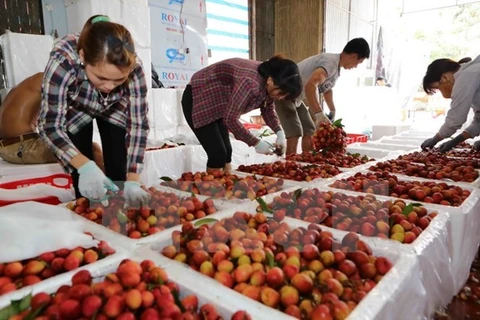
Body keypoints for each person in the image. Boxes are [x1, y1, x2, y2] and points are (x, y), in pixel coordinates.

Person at [38, 15, 151, 207]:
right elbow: (50, 125)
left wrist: (133, 179)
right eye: (102, 77)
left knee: (119, 164)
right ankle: (88, 213)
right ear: (82, 57)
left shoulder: (135, 69)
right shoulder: (63, 61)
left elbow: (138, 126)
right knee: (83, 170)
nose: (109, 86)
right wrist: (85, 166)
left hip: (114, 107)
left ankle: (119, 213)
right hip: (77, 108)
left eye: (118, 80)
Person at [182, 55, 302, 174]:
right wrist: (255, 142)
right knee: (217, 154)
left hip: (219, 104)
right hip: (198, 97)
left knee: (227, 152)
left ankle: (226, 186)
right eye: (281, 93)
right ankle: (213, 190)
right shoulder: (250, 83)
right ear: (271, 81)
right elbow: (230, 119)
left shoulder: (269, 80)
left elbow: (267, 110)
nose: (281, 98)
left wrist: (279, 132)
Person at [275, 38, 371, 155]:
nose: (356, 66)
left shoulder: (335, 67)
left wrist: (332, 110)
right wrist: (318, 113)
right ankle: (289, 164)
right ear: (354, 56)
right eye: (359, 62)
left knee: (309, 129)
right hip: (284, 93)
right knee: (295, 131)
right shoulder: (330, 63)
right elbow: (310, 86)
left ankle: (306, 161)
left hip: (297, 97)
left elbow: (327, 90)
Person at [0, 72, 104, 170]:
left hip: (8, 147)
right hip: (22, 147)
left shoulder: (30, 83)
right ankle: (109, 186)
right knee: (91, 149)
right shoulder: (48, 81)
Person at [421, 56, 480, 152]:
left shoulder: (465, 76)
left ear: (445, 77)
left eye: (437, 88)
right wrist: (457, 140)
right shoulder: (471, 76)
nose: (441, 91)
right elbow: (479, 121)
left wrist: (436, 139)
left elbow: (455, 119)